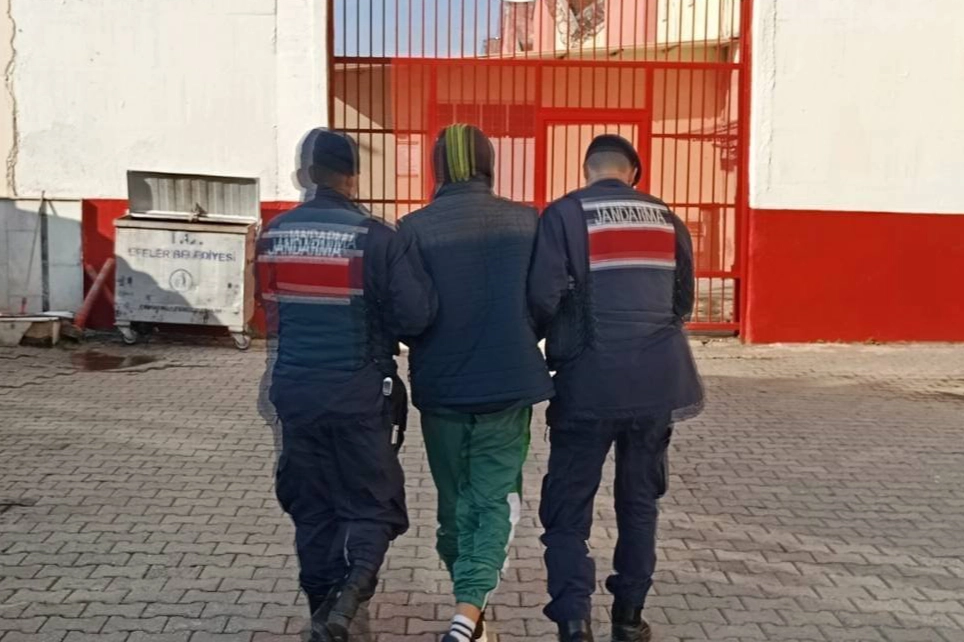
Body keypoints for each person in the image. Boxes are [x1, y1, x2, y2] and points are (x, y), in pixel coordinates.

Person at [256, 129, 436, 642]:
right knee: (373, 504)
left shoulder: (273, 234)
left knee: (312, 509)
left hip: (295, 394)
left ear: (305, 174)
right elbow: (415, 317)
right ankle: (352, 596)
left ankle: (323, 613)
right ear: (353, 177)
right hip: (360, 398)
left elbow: (268, 308)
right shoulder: (376, 237)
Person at [527, 134, 704, 642]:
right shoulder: (666, 219)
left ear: (588, 170)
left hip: (586, 387)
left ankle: (573, 622)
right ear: (634, 174)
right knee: (639, 504)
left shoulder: (564, 215)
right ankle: (628, 619)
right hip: (655, 388)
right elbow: (683, 302)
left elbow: (542, 297)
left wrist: (541, 343)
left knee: (567, 510)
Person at [392, 124, 554, 642]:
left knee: (454, 505)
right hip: (508, 386)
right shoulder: (528, 221)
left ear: (437, 168)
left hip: (442, 390)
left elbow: (409, 317)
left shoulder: (412, 229)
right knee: (494, 498)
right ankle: (469, 614)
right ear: (489, 165)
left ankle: (468, 613)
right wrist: (522, 332)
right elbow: (547, 299)